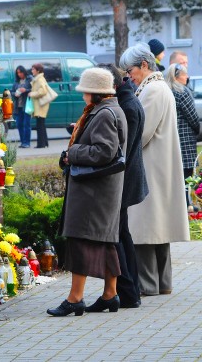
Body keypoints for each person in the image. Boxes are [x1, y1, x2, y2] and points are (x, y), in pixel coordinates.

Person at [47, 67, 127, 316]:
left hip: (94, 191)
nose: (82, 96)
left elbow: (104, 151)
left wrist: (73, 153)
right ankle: (110, 294)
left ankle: (75, 299)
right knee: (105, 242)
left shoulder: (104, 113)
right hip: (102, 190)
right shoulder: (110, 109)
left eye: (84, 91)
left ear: (95, 92)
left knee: (80, 240)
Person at [119, 43, 190, 297]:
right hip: (159, 166)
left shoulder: (152, 90)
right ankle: (163, 283)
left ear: (144, 65)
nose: (129, 76)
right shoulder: (158, 87)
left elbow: (142, 132)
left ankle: (148, 285)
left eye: (130, 70)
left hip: (150, 166)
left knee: (146, 230)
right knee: (158, 230)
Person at [98, 63, 149, 309]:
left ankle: (127, 291)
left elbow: (121, 150)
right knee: (122, 234)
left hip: (123, 179)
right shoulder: (128, 100)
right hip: (127, 176)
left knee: (118, 236)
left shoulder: (126, 106)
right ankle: (131, 291)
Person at [164, 63, 199, 212]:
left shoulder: (166, 91)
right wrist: (197, 129)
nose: (187, 77)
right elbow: (192, 117)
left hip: (170, 138)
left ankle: (178, 205)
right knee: (186, 175)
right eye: (185, 75)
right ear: (178, 77)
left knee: (173, 175)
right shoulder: (182, 92)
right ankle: (186, 205)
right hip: (185, 140)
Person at [28, 63, 50, 148]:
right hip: (40, 105)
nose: (32, 71)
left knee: (40, 125)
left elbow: (43, 91)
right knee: (41, 124)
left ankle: (41, 144)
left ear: (38, 70)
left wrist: (32, 94)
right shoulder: (38, 78)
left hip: (41, 105)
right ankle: (45, 143)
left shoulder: (40, 79)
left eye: (33, 69)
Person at [11, 65, 32, 148]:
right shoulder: (17, 81)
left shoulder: (29, 79)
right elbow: (11, 91)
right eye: (18, 73)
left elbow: (34, 89)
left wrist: (25, 90)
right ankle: (23, 142)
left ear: (24, 72)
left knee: (27, 124)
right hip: (18, 106)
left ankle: (27, 142)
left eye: (20, 72)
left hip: (26, 105)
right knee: (19, 124)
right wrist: (14, 94)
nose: (19, 74)